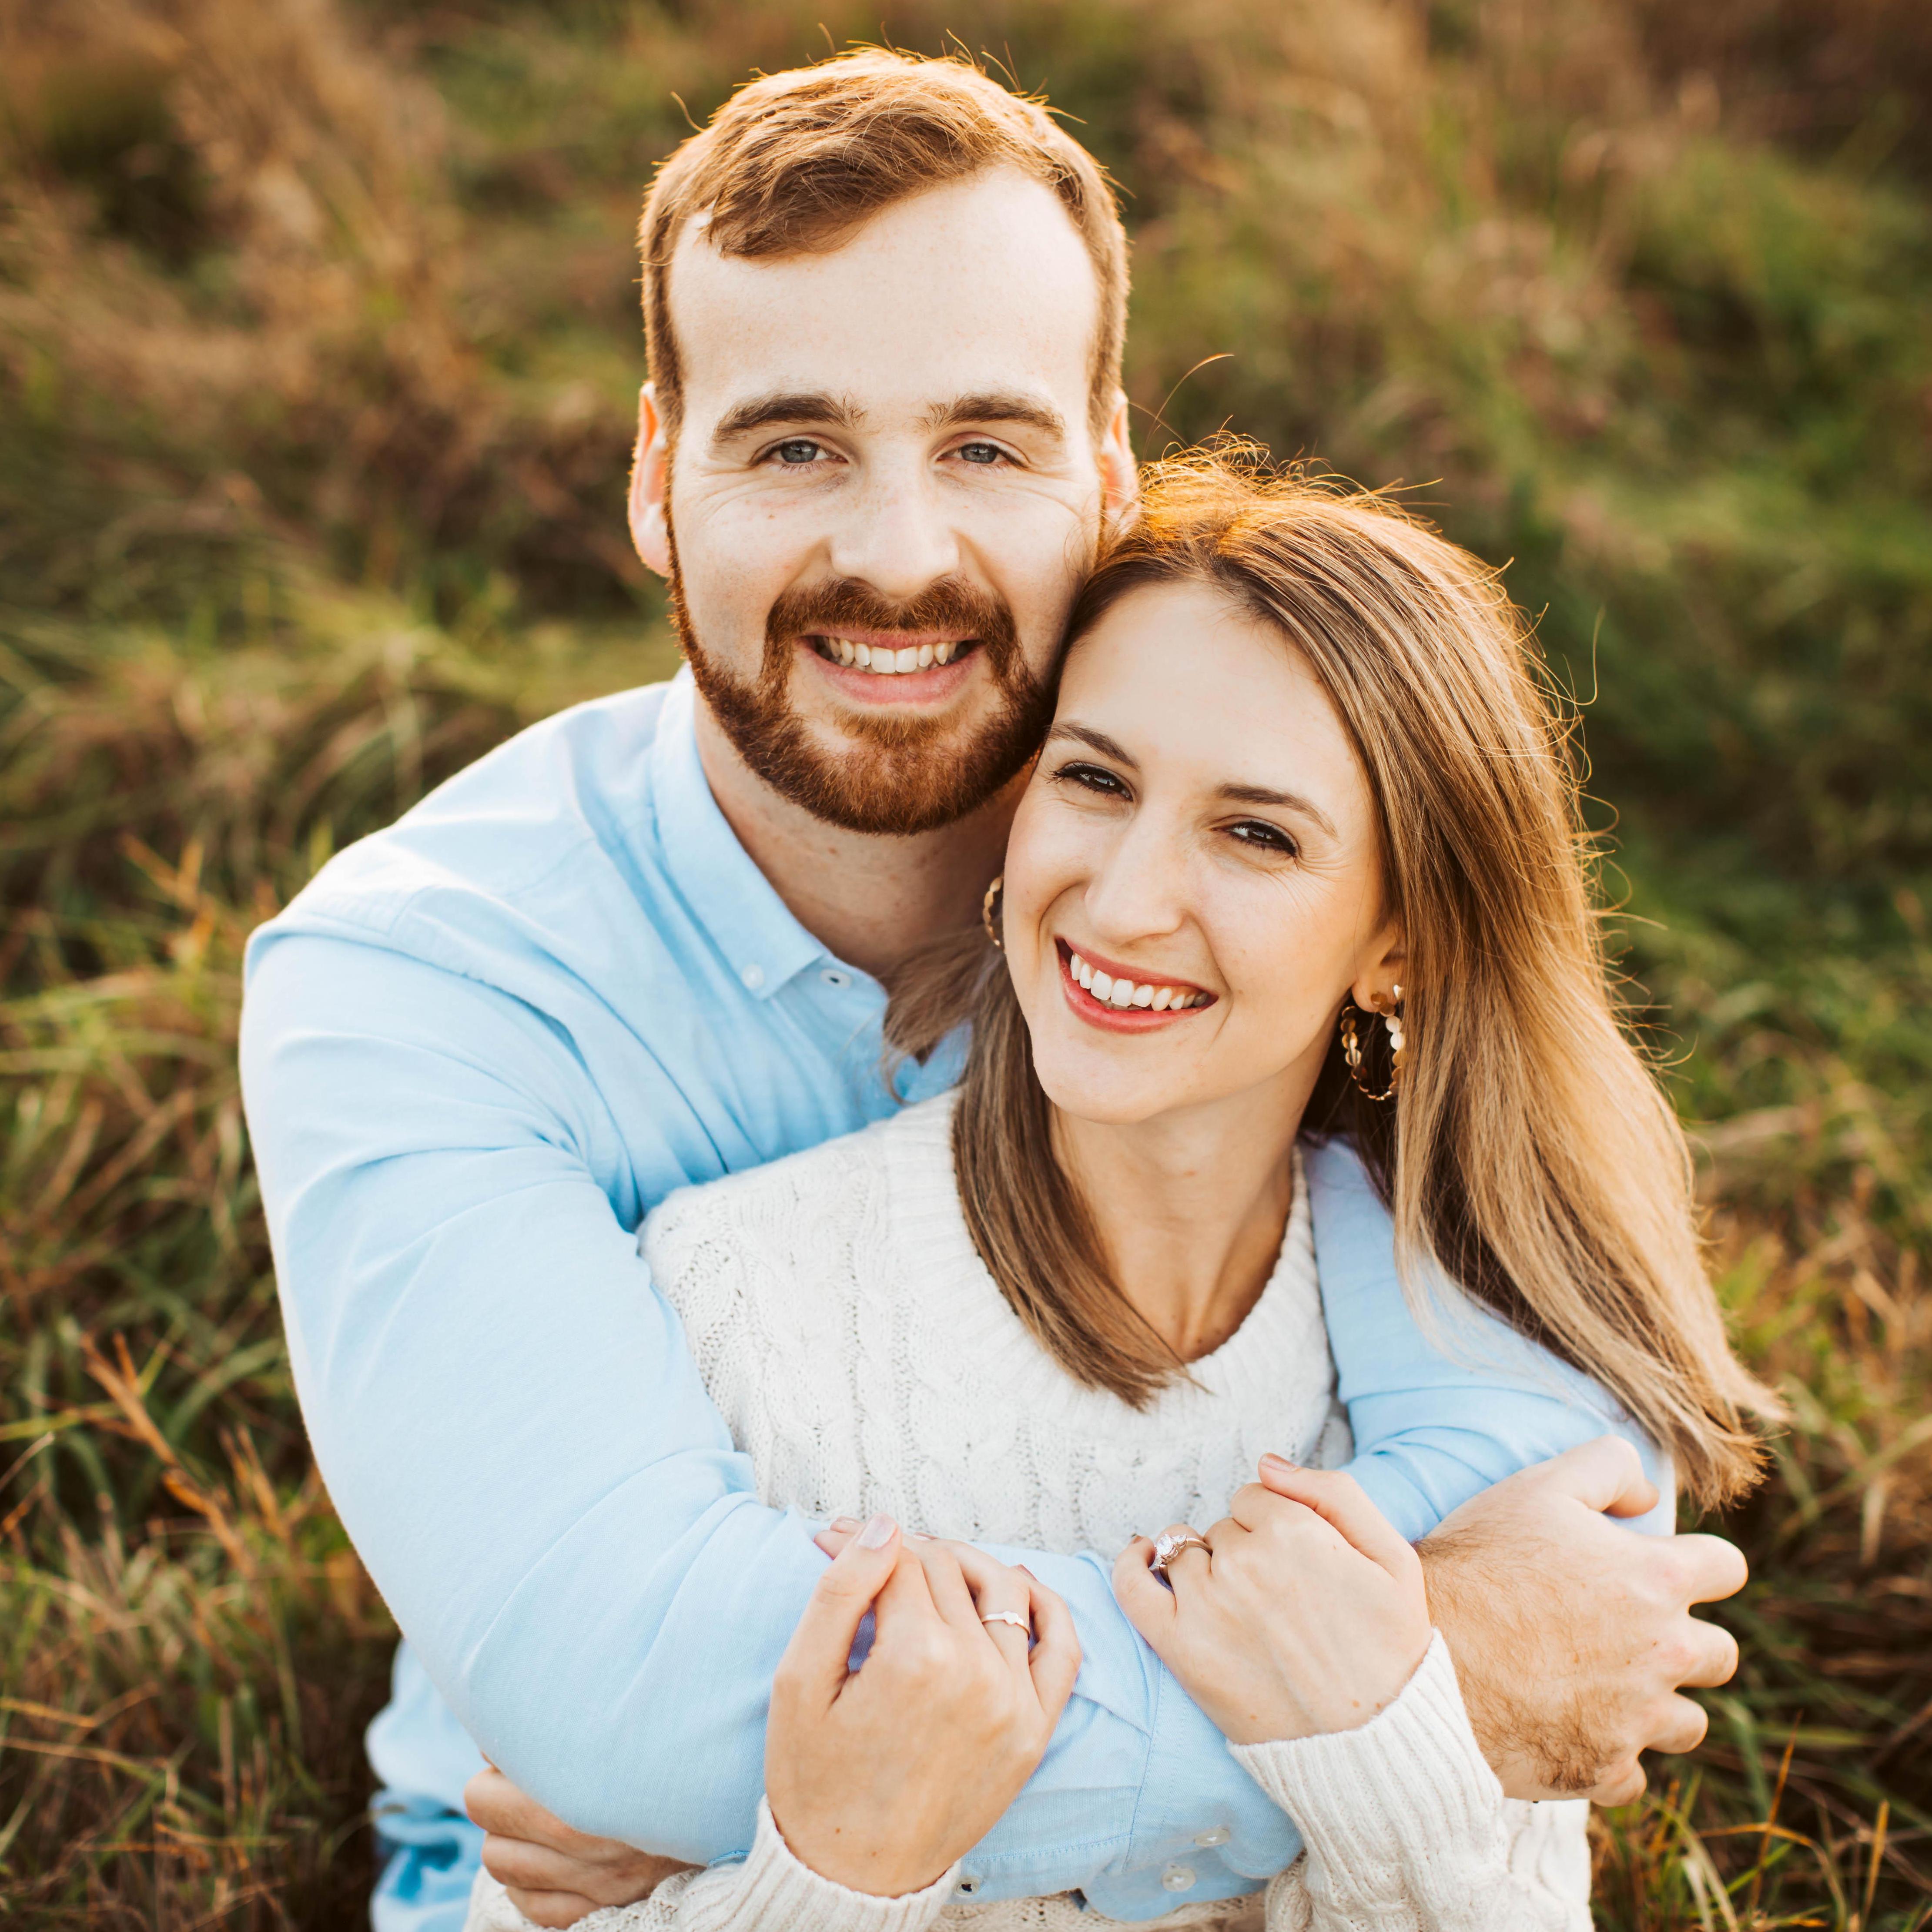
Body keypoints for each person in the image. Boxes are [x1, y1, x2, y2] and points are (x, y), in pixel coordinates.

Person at [238, 52, 1755, 1932]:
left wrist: (798, 1759)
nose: (894, 553)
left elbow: (1551, 1423)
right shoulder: (418, 981)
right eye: (794, 445)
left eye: (984, 444)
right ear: (656, 475)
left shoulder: (1221, 854)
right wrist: (1422, 1675)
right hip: (579, 1883)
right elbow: (626, 1697)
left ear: (1105, 465)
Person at [459, 455, 1768, 1931]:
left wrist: (1388, 1741)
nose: (1129, 897)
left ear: (1397, 946)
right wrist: (827, 1870)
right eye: (1094, 780)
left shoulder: (1491, 1394)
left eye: (1255, 832)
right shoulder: (735, 1304)